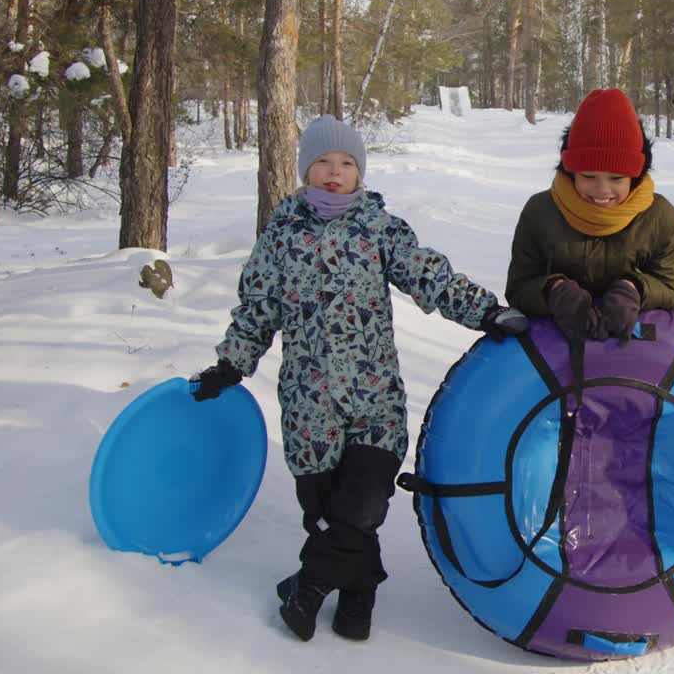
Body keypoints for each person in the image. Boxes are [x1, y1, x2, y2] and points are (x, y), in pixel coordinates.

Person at [189, 115, 527, 643]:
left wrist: (487, 313)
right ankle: (358, 598)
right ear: (305, 170)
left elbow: (428, 275)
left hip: (374, 400)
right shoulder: (279, 239)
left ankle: (309, 586)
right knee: (325, 510)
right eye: (322, 162)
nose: (334, 172)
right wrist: (230, 365)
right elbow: (257, 312)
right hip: (308, 406)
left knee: (364, 502)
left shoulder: (380, 229)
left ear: (360, 173)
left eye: (346, 163)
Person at [505, 88, 674, 345]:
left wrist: (634, 288)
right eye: (589, 176)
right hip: (557, 354)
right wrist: (554, 291)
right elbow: (519, 287)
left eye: (616, 179)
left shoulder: (660, 217)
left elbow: (670, 286)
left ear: (635, 176)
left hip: (632, 353)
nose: (602, 191)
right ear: (571, 171)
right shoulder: (540, 211)